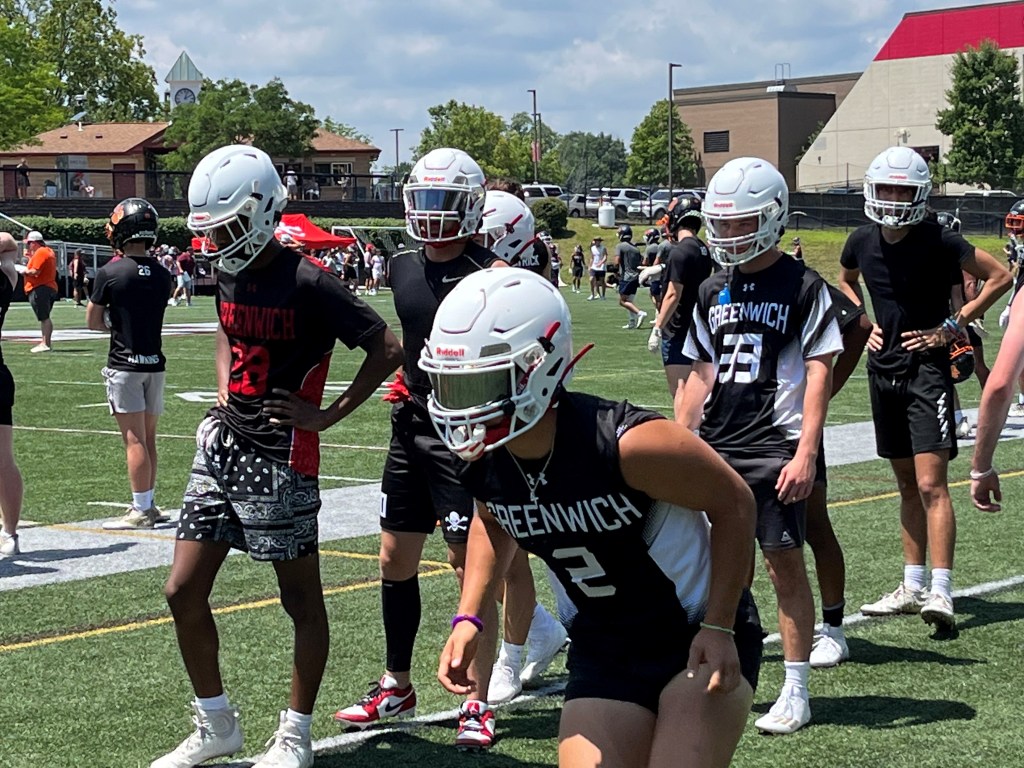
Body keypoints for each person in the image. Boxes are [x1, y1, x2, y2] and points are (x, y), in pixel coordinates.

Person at [429, 268, 762, 768]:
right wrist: (469, 616)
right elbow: (492, 521)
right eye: (451, 386)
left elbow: (735, 503)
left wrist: (719, 625)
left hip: (690, 633)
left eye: (479, 383)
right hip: (603, 645)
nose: (464, 409)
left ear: (537, 368)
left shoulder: (628, 444)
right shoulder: (485, 455)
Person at [152, 144, 402, 768]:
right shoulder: (228, 270)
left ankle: (295, 735)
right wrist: (221, 390)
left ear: (263, 209)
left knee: (300, 602)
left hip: (282, 455)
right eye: (212, 230)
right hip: (224, 444)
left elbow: (387, 349)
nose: (218, 242)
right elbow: (225, 327)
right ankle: (217, 724)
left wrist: (328, 414)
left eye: (229, 227)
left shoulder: (310, 280)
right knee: (182, 590)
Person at [331, 147, 508, 749]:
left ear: (472, 206)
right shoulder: (404, 264)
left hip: (468, 433)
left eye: (444, 202)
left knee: (468, 567)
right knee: (393, 557)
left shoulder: (492, 273)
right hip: (411, 425)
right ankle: (397, 683)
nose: (432, 214)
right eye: (425, 200)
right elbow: (409, 340)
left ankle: (478, 700)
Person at [679, 157, 843, 735]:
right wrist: (680, 443)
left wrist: (806, 452)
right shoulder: (710, 288)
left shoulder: (804, 285)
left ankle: (796, 688)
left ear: (772, 217)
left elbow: (820, 371)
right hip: (718, 444)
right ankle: (727, 669)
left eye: (739, 222)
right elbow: (701, 374)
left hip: (774, 445)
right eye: (720, 222)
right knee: (717, 567)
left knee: (783, 566)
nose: (727, 233)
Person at [838, 147, 1010, 632]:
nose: (893, 200)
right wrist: (862, 320)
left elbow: (1000, 275)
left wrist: (953, 326)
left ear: (920, 194)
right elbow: (846, 280)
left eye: (903, 191)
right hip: (883, 370)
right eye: (886, 189)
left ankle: (941, 590)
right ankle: (912, 586)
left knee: (932, 484)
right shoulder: (860, 239)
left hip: (927, 373)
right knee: (906, 485)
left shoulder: (939, 238)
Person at [469, 189, 570, 707]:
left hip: (525, 414)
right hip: (486, 413)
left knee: (516, 546)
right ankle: (544, 629)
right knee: (490, 548)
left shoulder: (528, 280)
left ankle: (512, 654)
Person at [86, 199, 175, 531]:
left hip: (125, 363)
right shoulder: (163, 274)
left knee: (134, 440)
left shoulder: (110, 272)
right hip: (155, 363)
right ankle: (148, 503)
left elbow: (93, 321)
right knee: (148, 438)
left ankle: (140, 508)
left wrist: (116, 323)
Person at [647, 195, 715, 419]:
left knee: (681, 392)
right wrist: (661, 269)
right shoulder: (702, 249)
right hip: (697, 327)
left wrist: (658, 327)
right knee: (698, 393)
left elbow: (673, 294)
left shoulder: (679, 251)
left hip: (678, 329)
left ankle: (685, 436)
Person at [0, 233, 24, 558]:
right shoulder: (6, 274)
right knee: (3, 459)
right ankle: (11, 533)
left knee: (4, 461)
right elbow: (8, 243)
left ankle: (10, 532)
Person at [22, 231, 57, 353]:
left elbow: (35, 271)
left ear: (34, 243)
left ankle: (46, 343)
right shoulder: (48, 251)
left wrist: (23, 271)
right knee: (44, 317)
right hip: (48, 287)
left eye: (29, 243)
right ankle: (45, 342)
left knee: (44, 317)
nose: (28, 246)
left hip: (40, 288)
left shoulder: (41, 252)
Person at [613, 225, 647, 330]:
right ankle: (632, 322)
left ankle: (640, 313)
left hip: (626, 277)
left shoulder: (620, 246)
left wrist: (615, 272)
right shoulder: (636, 249)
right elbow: (641, 262)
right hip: (636, 277)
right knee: (629, 301)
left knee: (622, 301)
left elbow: (616, 262)